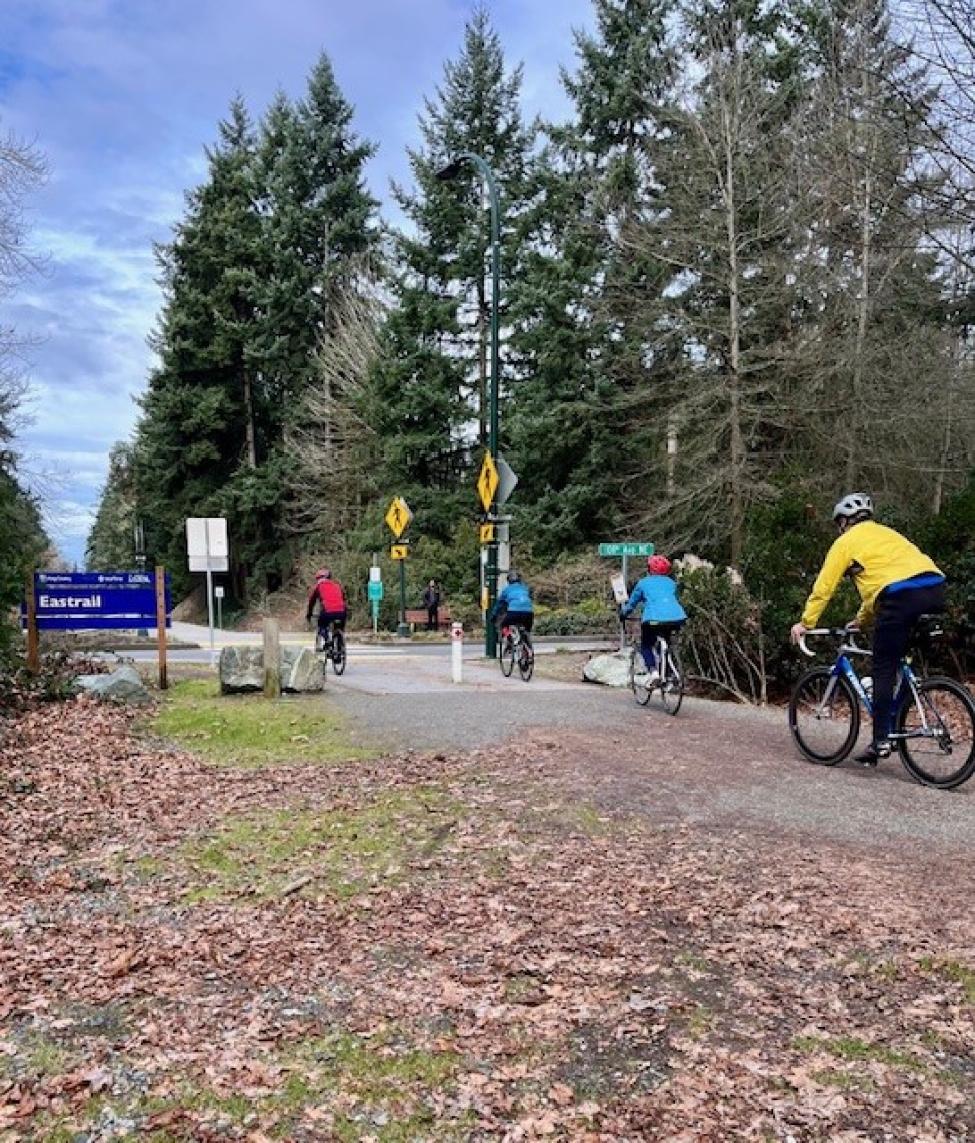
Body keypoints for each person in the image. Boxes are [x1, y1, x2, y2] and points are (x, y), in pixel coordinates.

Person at [790, 493, 946, 766]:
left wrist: (807, 623)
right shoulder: (887, 534)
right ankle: (902, 710)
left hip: (901, 597)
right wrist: (861, 620)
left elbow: (824, 588)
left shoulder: (846, 542)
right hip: (934, 590)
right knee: (897, 660)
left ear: (845, 521)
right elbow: (879, 586)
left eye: (840, 523)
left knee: (882, 668)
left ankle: (881, 741)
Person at [621, 554, 687, 682]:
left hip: (653, 619)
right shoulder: (672, 583)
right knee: (666, 642)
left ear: (649, 569)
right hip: (676, 618)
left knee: (646, 645)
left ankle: (654, 671)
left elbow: (632, 603)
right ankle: (667, 674)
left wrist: (623, 614)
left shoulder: (643, 583)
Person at [305, 567, 347, 647]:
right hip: (342, 611)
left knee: (321, 626)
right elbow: (343, 598)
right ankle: (339, 642)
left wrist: (309, 614)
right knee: (339, 627)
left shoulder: (318, 586)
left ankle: (327, 640)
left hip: (328, 612)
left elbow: (312, 602)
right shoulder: (337, 585)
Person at [490, 570, 534, 645]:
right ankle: (527, 645)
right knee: (527, 629)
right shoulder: (525, 588)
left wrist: (493, 615)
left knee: (504, 625)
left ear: (509, 581)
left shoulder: (507, 590)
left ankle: (509, 637)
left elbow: (499, 604)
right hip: (528, 612)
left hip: (514, 612)